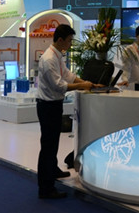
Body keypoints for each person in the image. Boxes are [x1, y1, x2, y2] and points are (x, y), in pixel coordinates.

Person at [36, 24, 97, 200]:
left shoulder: (57, 55)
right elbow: (59, 85)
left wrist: (87, 83)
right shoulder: (49, 59)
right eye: (69, 40)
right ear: (61, 39)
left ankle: (52, 170)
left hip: (53, 105)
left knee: (52, 143)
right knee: (48, 146)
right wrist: (82, 85)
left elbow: (68, 75)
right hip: (48, 106)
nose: (71, 44)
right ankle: (46, 188)